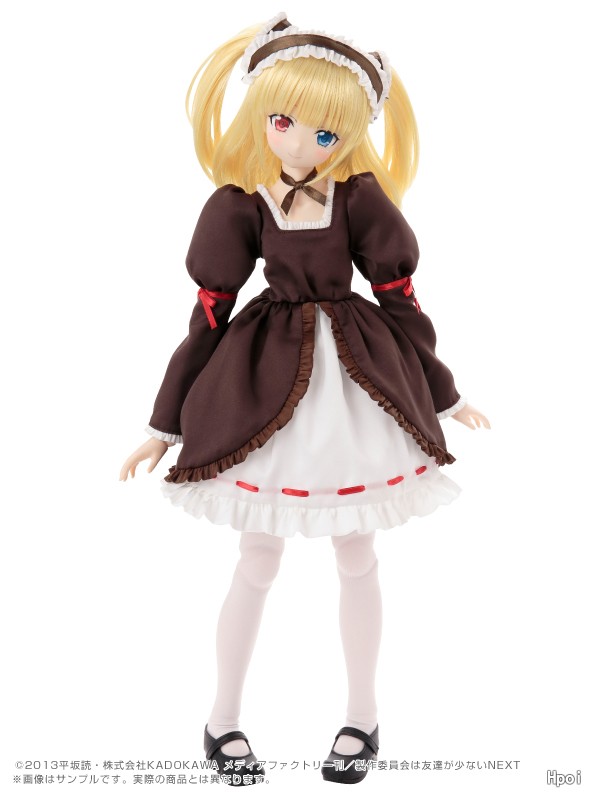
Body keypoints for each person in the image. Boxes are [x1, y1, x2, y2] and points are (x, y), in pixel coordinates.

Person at [119, 12, 490, 786]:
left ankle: (363, 715)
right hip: (263, 379)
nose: (300, 143)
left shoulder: (359, 198)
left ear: (348, 136)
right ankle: (222, 718)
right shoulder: (241, 203)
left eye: (326, 133)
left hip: (353, 382)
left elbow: (399, 299)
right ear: (261, 114)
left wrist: (443, 391)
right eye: (283, 122)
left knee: (357, 553)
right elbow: (209, 315)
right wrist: (165, 421)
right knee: (257, 557)